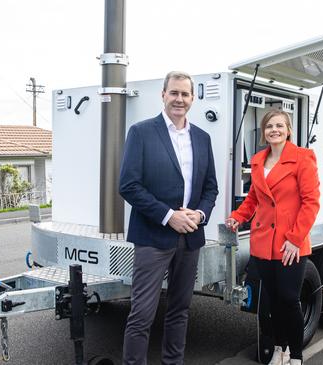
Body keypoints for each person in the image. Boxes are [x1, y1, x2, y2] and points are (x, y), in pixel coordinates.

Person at [119, 71, 218, 365]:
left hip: (190, 237)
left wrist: (199, 215)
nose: (179, 99)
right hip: (152, 237)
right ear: (163, 95)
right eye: (174, 93)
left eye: (185, 94)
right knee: (142, 314)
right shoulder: (141, 132)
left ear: (192, 98)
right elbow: (128, 185)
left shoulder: (202, 137)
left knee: (180, 310)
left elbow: (210, 187)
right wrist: (168, 216)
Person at [226, 110, 320, 365]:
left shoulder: (302, 159)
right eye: (269, 126)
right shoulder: (258, 160)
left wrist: (295, 238)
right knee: (273, 302)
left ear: (289, 130)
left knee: (290, 300)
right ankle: (279, 349)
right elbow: (254, 198)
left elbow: (311, 203)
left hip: (291, 243)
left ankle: (297, 357)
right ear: (263, 131)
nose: (274, 130)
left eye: (279, 125)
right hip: (263, 243)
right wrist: (237, 216)